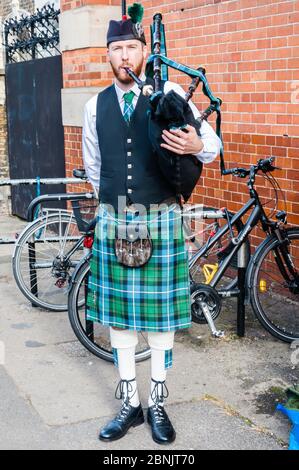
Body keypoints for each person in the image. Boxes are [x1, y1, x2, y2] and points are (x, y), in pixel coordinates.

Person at [82, 4, 221, 445]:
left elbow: (211, 145)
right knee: (120, 325)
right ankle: (130, 406)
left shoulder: (169, 93)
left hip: (160, 217)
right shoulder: (94, 105)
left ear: (144, 52)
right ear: (108, 55)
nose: (124, 56)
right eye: (116, 48)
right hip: (115, 218)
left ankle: (157, 405)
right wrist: (116, 206)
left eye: (131, 47)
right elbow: (93, 165)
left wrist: (197, 141)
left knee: (160, 324)